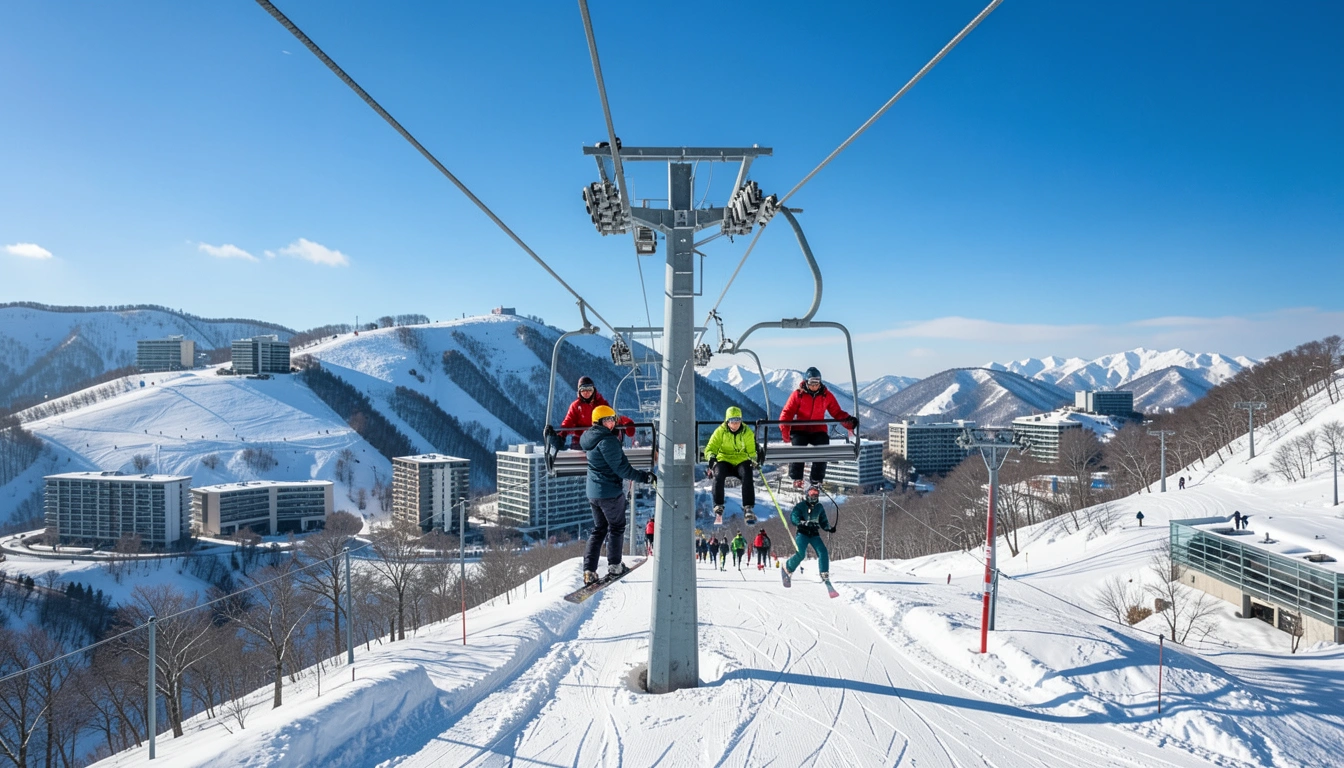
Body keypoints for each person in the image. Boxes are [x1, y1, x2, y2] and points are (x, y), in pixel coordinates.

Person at [580, 405, 654, 585]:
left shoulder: (588, 438)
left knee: (599, 529)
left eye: (613, 419)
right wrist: (644, 477)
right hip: (609, 493)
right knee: (617, 527)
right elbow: (621, 469)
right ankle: (614, 565)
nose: (612, 423)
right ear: (599, 422)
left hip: (593, 493)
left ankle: (589, 570)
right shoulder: (608, 441)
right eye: (608, 420)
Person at [779, 367, 858, 489]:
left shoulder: (826, 396)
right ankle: (797, 476)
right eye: (811, 383)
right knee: (799, 445)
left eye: (817, 383)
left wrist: (849, 422)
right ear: (806, 382)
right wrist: (785, 432)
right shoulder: (798, 395)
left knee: (823, 445)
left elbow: (836, 412)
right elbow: (787, 412)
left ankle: (816, 478)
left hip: (817, 429)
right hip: (800, 428)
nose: (814, 386)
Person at [705, 406, 759, 524]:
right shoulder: (721, 431)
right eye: (732, 421)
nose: (735, 425)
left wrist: (754, 459)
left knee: (747, 474)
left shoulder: (746, 432)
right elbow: (710, 448)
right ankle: (718, 504)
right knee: (718, 474)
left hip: (741, 460)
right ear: (727, 421)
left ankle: (748, 506)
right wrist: (711, 458)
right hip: (724, 459)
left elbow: (751, 450)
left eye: (737, 421)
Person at [554, 376, 633, 450]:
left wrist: (625, 422)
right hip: (580, 441)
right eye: (583, 390)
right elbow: (568, 421)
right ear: (579, 392)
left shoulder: (601, 403)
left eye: (589, 390)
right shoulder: (576, 406)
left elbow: (611, 417)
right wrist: (561, 434)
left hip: (598, 440)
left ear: (593, 390)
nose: (586, 393)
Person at [781, 485, 834, 587]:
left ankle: (824, 573)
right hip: (802, 533)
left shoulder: (819, 507)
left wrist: (828, 528)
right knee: (801, 554)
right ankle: (788, 567)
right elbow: (794, 517)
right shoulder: (801, 506)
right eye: (812, 493)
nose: (814, 496)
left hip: (814, 533)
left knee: (823, 551)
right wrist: (803, 522)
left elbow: (823, 521)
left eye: (816, 494)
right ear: (807, 494)